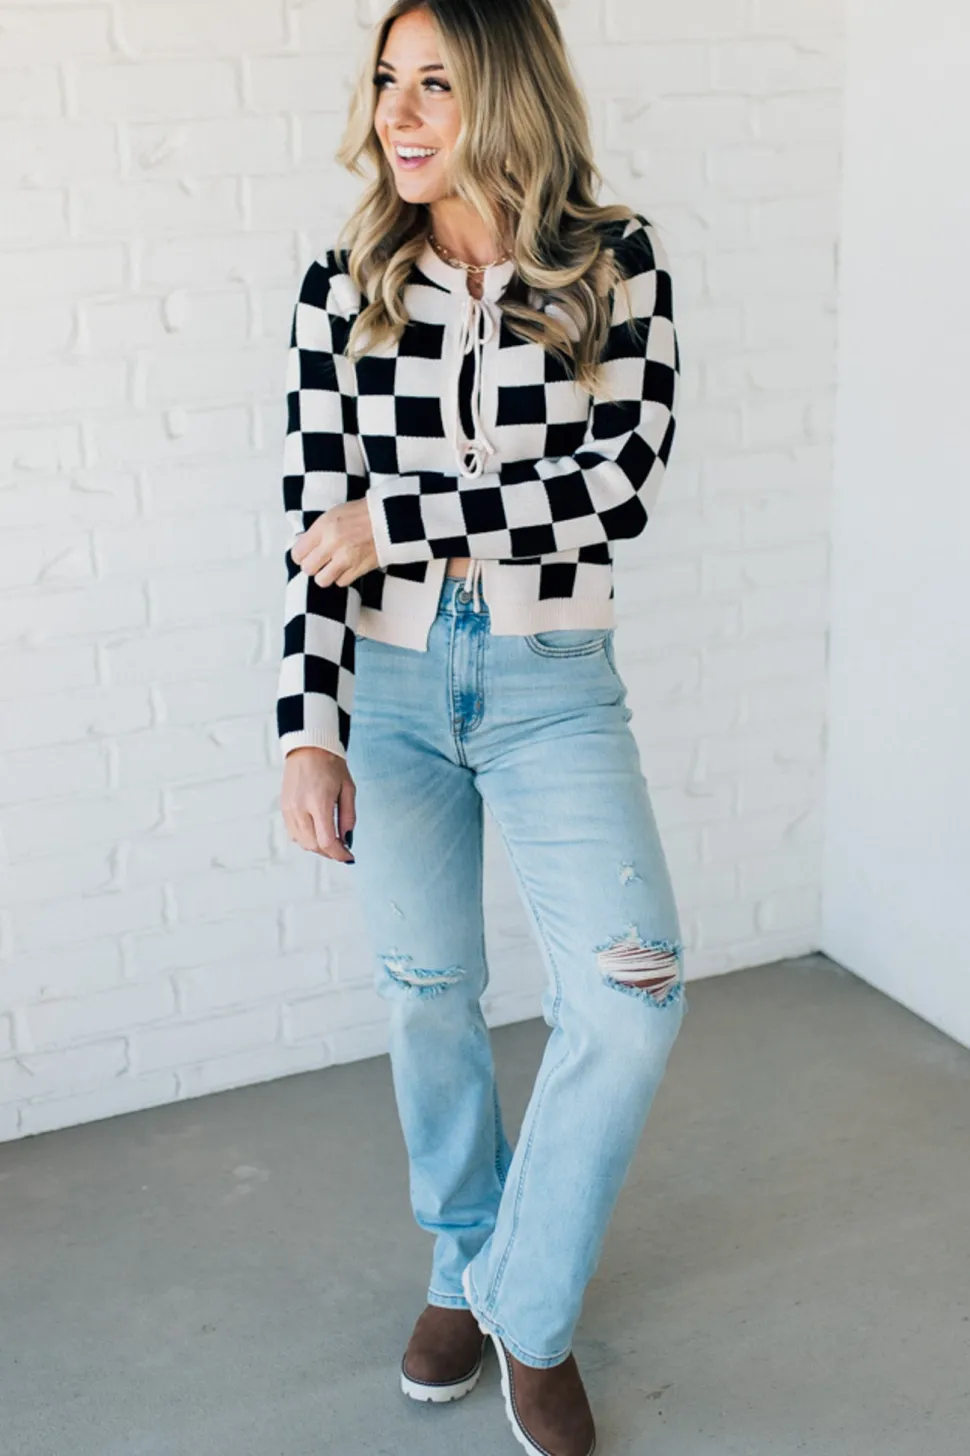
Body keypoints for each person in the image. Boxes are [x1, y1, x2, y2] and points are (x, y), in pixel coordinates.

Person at [276, 3, 686, 1452]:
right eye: (387, 80)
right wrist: (305, 730)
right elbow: (310, 524)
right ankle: (461, 1257)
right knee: (425, 992)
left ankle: (525, 1299)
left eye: (436, 82)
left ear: (507, 92)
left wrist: (403, 517)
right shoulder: (346, 284)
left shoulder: (614, 264)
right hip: (387, 690)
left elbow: (615, 487)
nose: (398, 111)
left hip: (551, 675)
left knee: (630, 995)